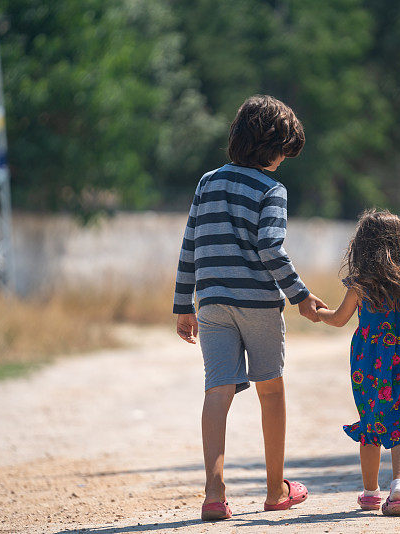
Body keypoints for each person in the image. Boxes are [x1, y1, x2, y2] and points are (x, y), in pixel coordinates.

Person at [172, 95, 327, 521]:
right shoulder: (271, 189)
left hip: (213, 303)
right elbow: (270, 249)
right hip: (257, 302)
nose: (283, 161)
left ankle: (214, 492)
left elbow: (190, 244)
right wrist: (300, 295)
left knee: (217, 390)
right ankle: (276, 489)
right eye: (283, 151)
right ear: (275, 148)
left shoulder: (207, 182)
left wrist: (183, 304)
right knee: (271, 389)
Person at [316, 209, 400, 517]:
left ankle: (371, 493)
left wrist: (316, 312)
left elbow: (338, 319)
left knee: (372, 419)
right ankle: (398, 489)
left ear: (363, 247)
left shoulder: (360, 284)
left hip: (369, 361)